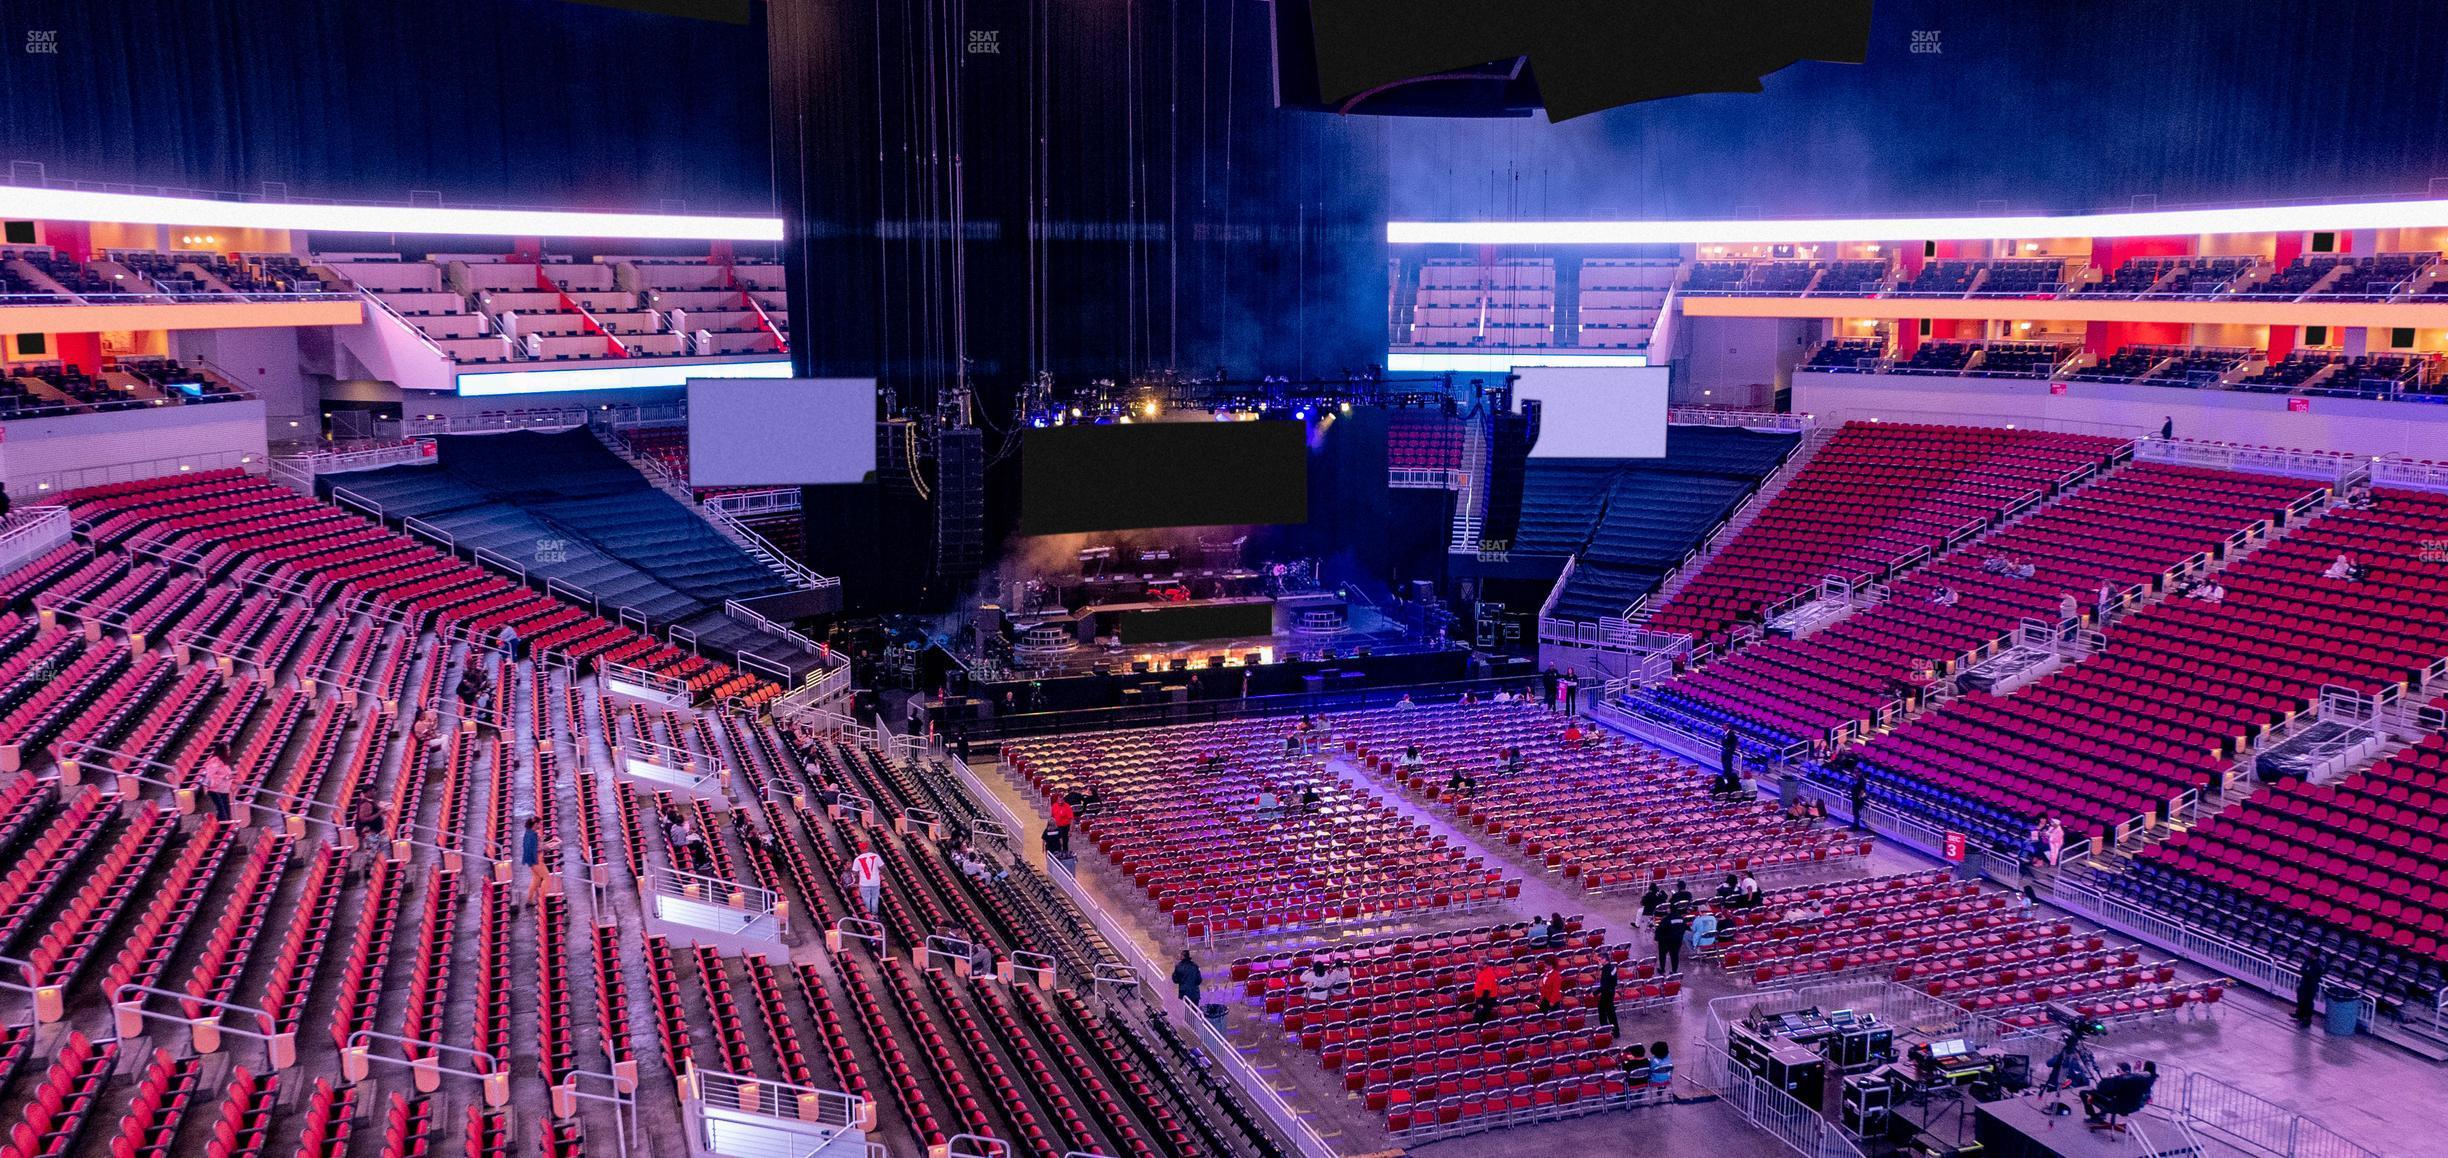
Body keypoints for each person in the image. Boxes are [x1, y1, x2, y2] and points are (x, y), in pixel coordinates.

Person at [520, 816, 558, 910]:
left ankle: (529, 901)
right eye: (540, 824)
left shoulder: (530, 833)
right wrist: (551, 846)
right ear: (535, 824)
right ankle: (542, 899)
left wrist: (543, 838)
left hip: (532, 862)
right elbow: (538, 848)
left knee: (536, 880)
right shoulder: (532, 835)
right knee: (546, 878)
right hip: (537, 861)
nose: (541, 825)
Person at [199, 743, 236, 823]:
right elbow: (210, 775)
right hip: (215, 789)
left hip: (223, 789)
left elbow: (226, 772)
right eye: (227, 750)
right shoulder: (214, 761)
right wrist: (225, 777)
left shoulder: (223, 760)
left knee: (226, 810)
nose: (229, 752)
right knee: (222, 811)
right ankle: (224, 827)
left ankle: (225, 826)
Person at [848, 840, 884, 916]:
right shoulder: (876, 856)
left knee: (866, 898)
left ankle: (868, 915)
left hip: (864, 882)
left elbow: (854, 872)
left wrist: (860, 875)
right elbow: (882, 867)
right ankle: (874, 914)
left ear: (860, 850)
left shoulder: (857, 859)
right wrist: (877, 870)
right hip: (875, 882)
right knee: (875, 898)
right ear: (867, 848)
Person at [2295, 951, 2327, 1027]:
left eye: (2310, 953)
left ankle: (2307, 1020)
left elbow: (2314, 975)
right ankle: (2299, 1015)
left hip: (2311, 987)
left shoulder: (2318, 965)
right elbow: (2302, 970)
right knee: (2300, 1000)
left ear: (2314, 954)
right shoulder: (2307, 961)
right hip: (2303, 983)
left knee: (2308, 1003)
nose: (2308, 954)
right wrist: (2305, 972)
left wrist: (2306, 973)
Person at [1654, 908, 1689, 974]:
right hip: (1677, 940)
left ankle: (1662, 969)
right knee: (1675, 956)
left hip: (1665, 941)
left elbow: (1660, 930)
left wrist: (1657, 938)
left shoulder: (1666, 919)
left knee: (1662, 955)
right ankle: (1674, 970)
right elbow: (1685, 928)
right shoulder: (1682, 919)